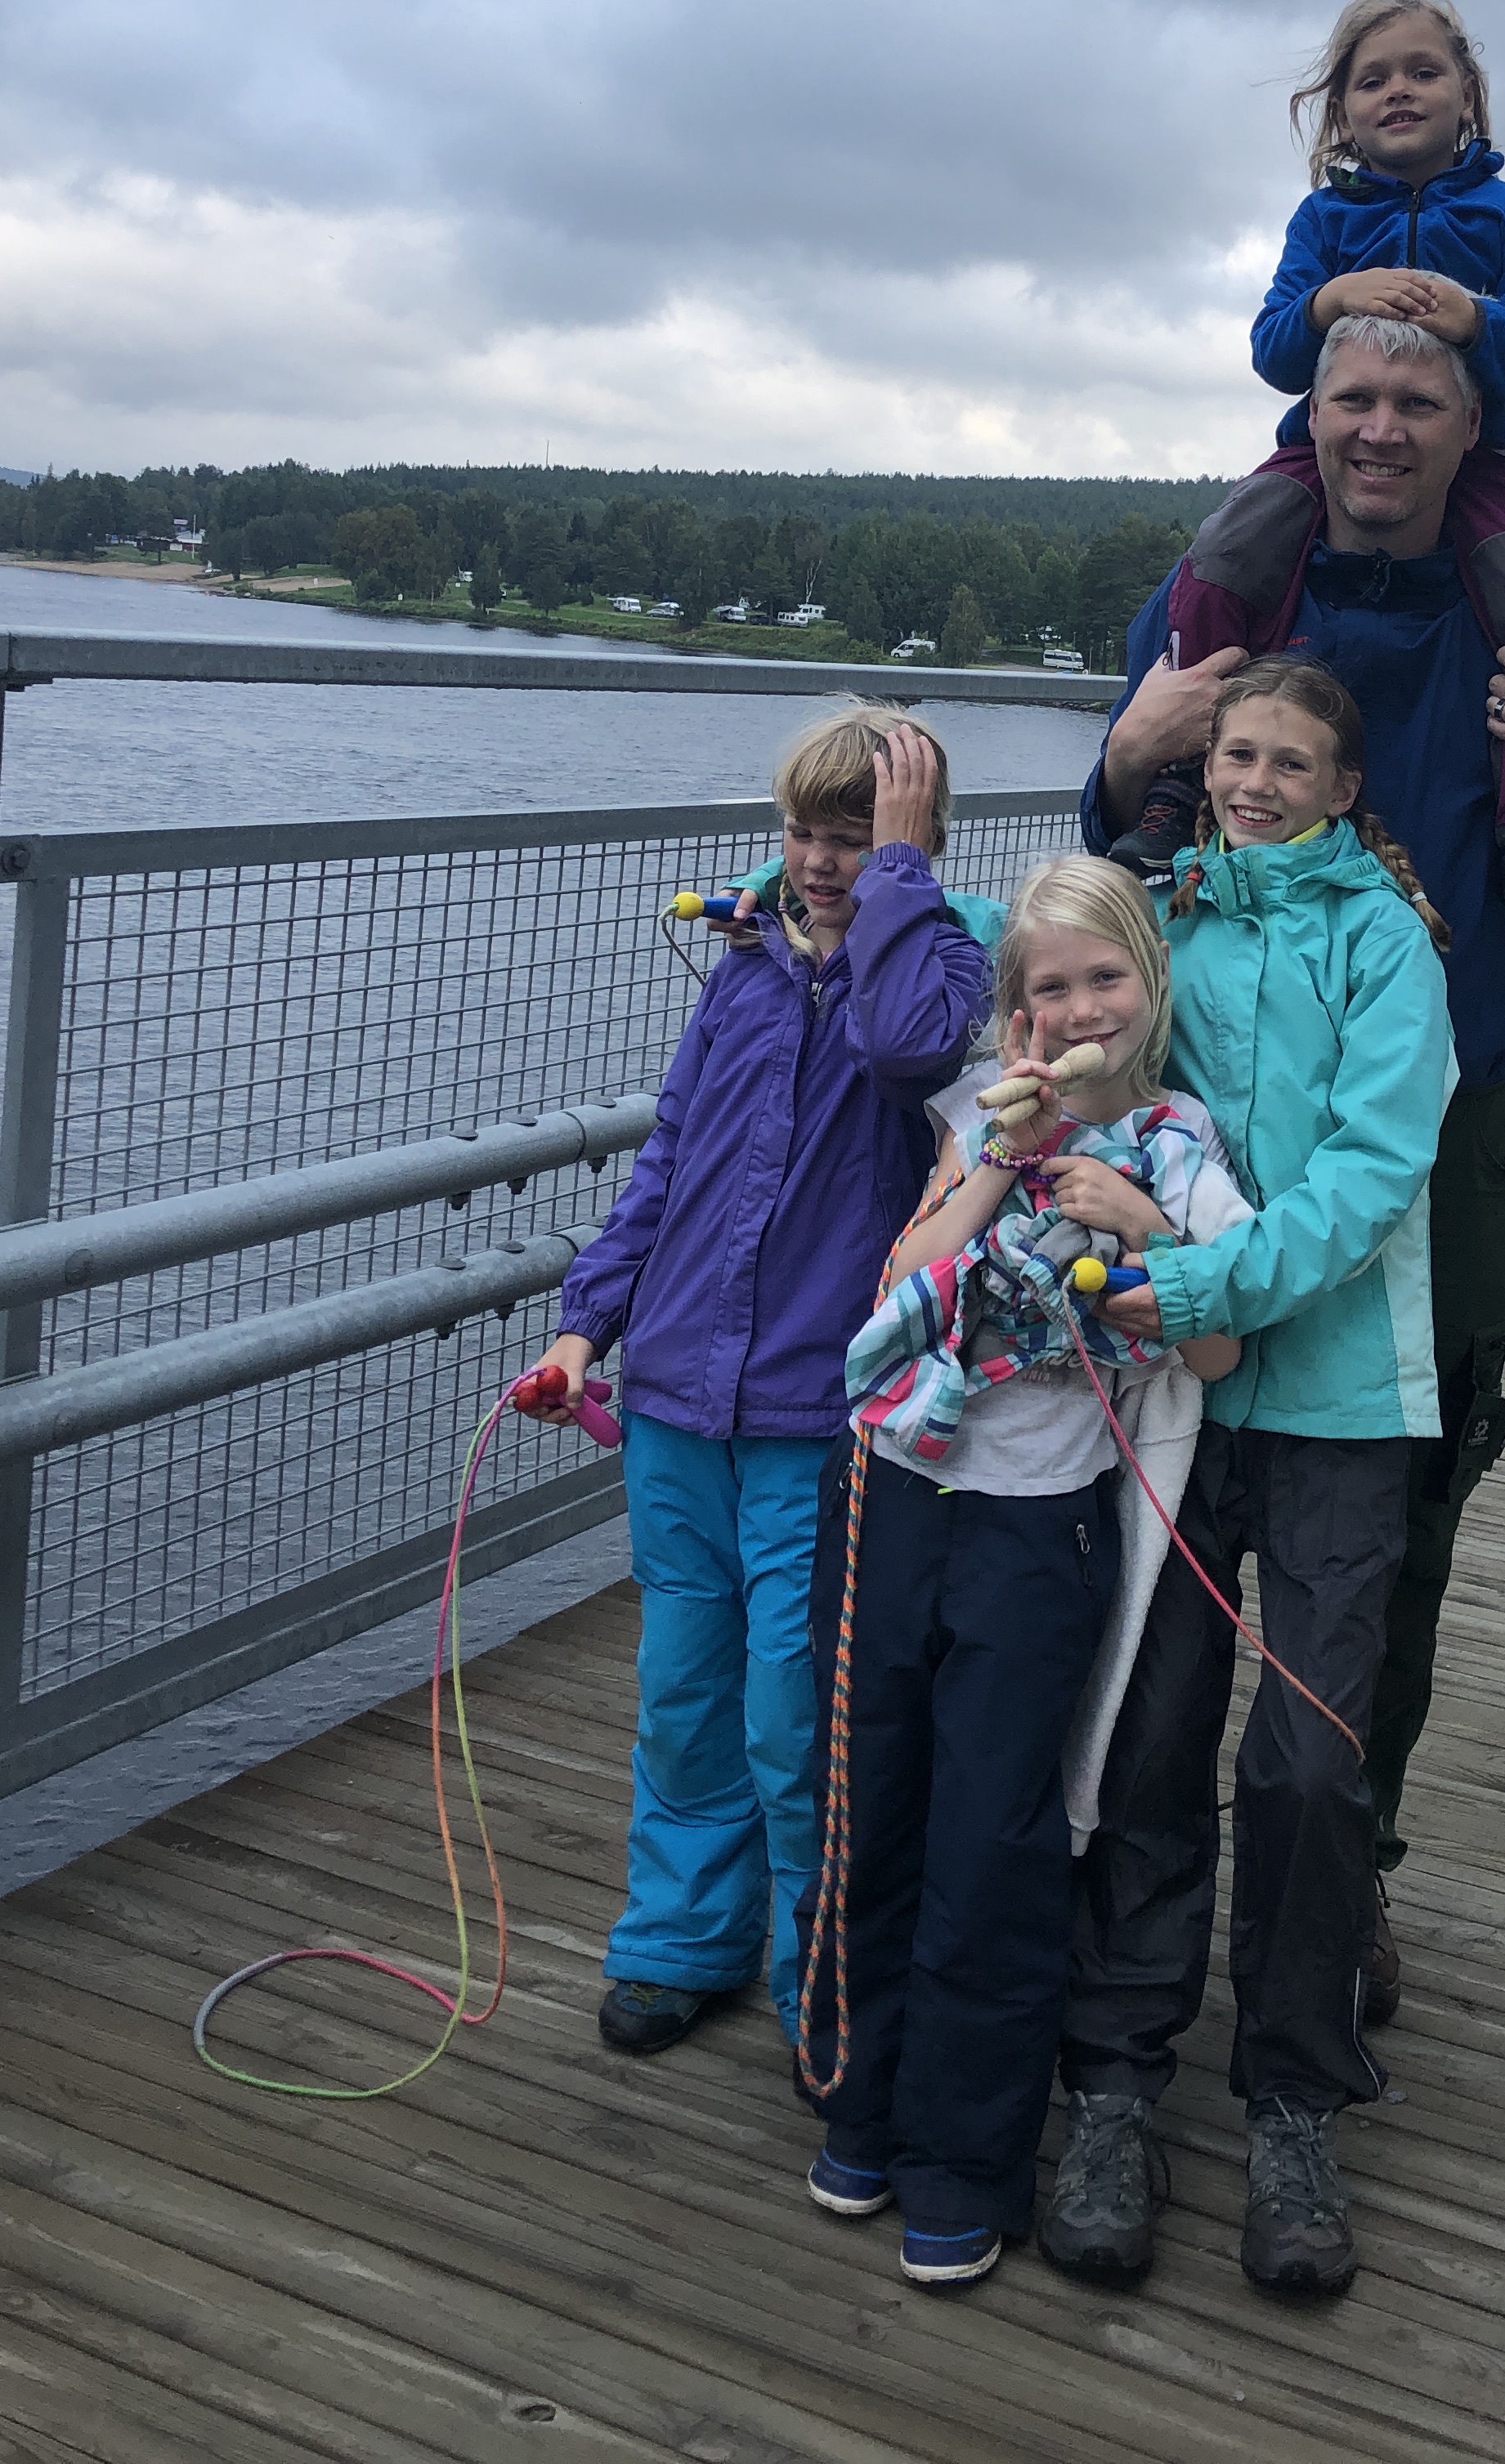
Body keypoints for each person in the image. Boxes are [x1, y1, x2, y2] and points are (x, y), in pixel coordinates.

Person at [1081, 311, 1505, 2065]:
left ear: (1474, 428)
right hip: (1200, 1132)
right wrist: (1120, 754)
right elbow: (1122, 854)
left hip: (1434, 1122)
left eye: (1417, 402)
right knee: (1152, 1501)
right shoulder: (1226, 593)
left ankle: (1350, 1864)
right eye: (1354, 399)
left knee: (1401, 1513)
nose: (1381, 429)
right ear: (1307, 416)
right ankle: (1118, 1874)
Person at [1047, 658, 1458, 2301]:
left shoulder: (1386, 943)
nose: (1255, 782)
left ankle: (1293, 2096)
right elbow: (1060, 1006)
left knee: (1303, 1762)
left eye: (1292, 762)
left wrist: (1201, 1281)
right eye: (1235, 754)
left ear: (1345, 790)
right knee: (1148, 1736)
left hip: (1339, 1404)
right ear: (1200, 766)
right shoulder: (1167, 923)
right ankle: (1114, 2078)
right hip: (1175, 1396)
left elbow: (1371, 1174)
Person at [795, 857, 1249, 2290]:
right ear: (1014, 1015)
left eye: (1104, 980)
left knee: (993, 1838)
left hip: (1038, 1524)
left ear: (1148, 986)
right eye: (1049, 989)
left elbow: (1218, 1343)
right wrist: (1004, 1147)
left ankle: (963, 2157)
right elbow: (899, 1283)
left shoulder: (1179, 1145)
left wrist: (1137, 1221)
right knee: (870, 1801)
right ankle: (858, 2102)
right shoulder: (971, 1121)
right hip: (889, 1498)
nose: (1079, 1010)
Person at [518, 707, 991, 2063]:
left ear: (910, 844)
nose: (821, 861)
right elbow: (668, 1159)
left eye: (855, 837)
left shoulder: (943, 967)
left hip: (812, 1413)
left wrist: (900, 880)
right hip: (676, 1392)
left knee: (798, 1710)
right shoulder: (740, 969)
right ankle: (679, 1937)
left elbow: (907, 1053)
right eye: (802, 833)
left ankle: (818, 1967)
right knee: (684, 1689)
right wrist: (585, 1327)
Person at [1112, 0, 1505, 941]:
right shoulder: (1324, 223)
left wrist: (1476, 319)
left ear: (1468, 95)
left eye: (1424, 72)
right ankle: (1176, 777)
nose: (1400, 91)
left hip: (1485, 462)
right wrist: (1332, 298)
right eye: (1373, 80)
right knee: (1223, 560)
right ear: (1342, 109)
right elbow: (1274, 353)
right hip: (1312, 461)